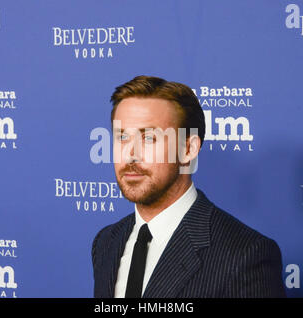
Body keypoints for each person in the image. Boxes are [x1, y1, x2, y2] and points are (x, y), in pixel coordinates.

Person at [91, 75, 286, 298]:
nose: (130, 154)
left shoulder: (245, 255)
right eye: (122, 137)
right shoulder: (107, 242)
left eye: (149, 138)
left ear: (188, 149)